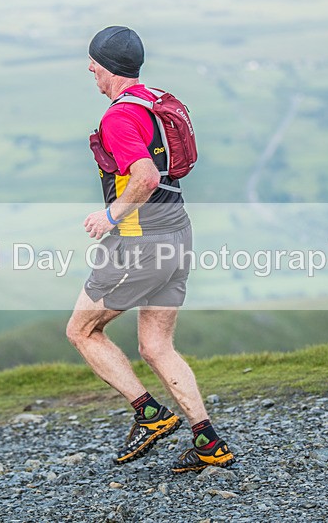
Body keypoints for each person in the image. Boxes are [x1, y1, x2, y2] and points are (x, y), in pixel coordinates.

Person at [65, 26, 235, 473]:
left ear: (107, 68)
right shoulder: (155, 100)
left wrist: (110, 216)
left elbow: (145, 176)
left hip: (141, 243)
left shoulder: (118, 118)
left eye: (93, 64)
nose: (89, 70)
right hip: (178, 233)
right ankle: (208, 443)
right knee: (156, 345)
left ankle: (150, 415)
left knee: (81, 331)